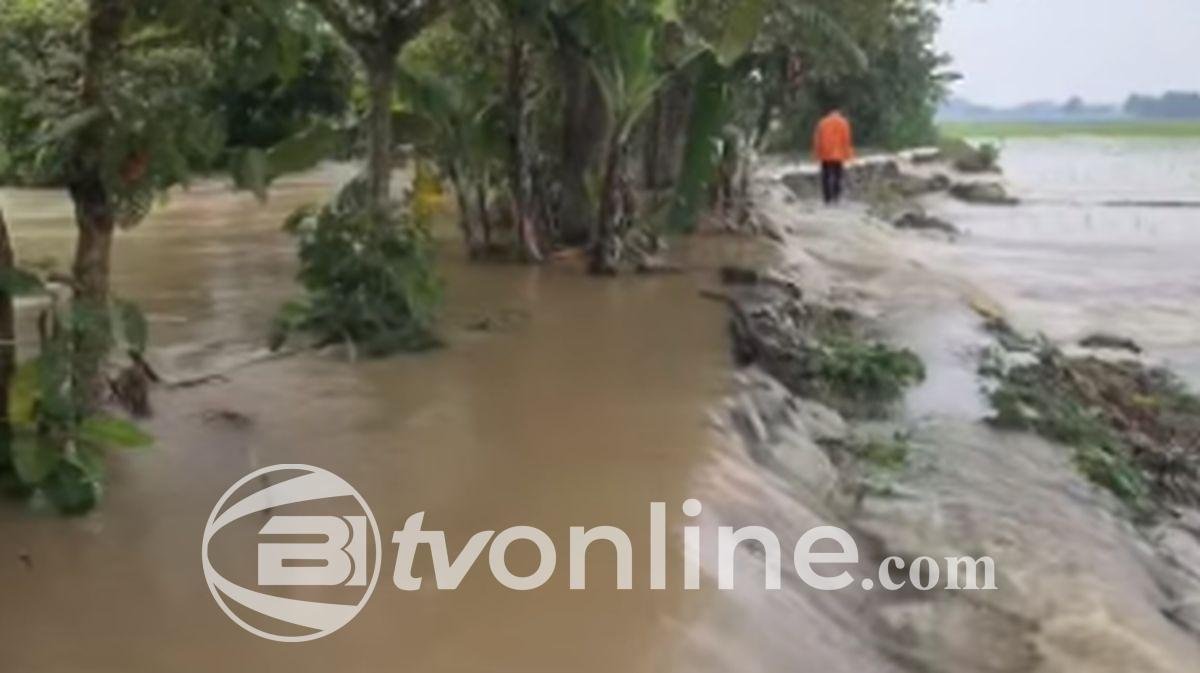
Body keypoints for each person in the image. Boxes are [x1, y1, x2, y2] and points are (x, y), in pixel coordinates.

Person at [812, 105, 855, 205]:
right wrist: (849, 155)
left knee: (825, 175)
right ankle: (836, 197)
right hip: (839, 154)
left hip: (825, 154)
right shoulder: (844, 123)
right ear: (838, 112)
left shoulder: (822, 122)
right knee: (838, 175)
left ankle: (827, 198)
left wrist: (816, 153)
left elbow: (817, 139)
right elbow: (847, 140)